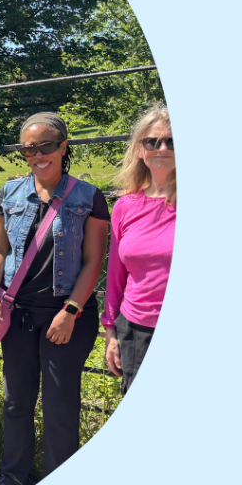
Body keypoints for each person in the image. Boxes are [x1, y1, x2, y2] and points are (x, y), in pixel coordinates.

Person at [0, 112, 109, 485]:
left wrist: (71, 310)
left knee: (59, 404)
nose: (38, 155)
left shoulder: (88, 197)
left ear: (63, 146)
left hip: (68, 315)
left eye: (46, 146)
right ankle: (13, 477)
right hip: (18, 314)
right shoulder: (10, 192)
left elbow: (95, 260)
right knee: (16, 401)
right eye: (29, 148)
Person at [101, 104, 176, 395]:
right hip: (136, 328)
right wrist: (111, 331)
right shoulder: (125, 206)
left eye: (172, 141)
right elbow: (116, 275)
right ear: (140, 149)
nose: (162, 148)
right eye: (152, 141)